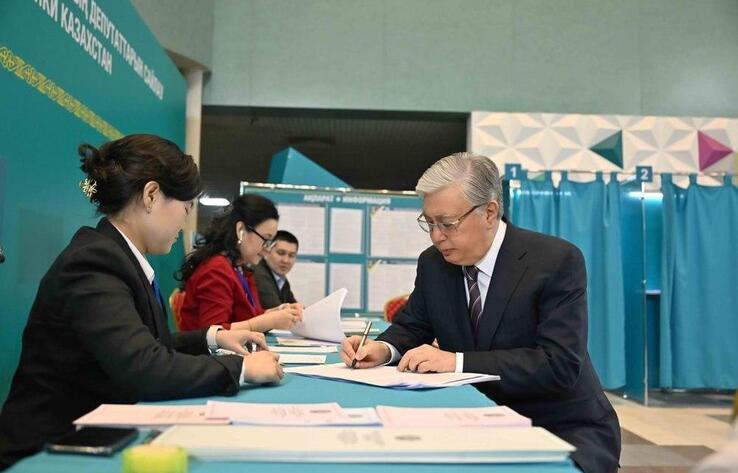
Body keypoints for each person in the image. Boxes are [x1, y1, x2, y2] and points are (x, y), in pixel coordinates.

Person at [0, 135, 282, 471]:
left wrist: (212, 338)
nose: (184, 222)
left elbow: (145, 344)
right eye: (185, 207)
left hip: (95, 436)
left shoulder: (118, 255)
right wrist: (243, 368)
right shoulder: (94, 261)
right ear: (151, 196)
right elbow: (144, 367)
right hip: (50, 451)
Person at [340, 152, 621, 473]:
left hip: (559, 426)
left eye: (447, 224)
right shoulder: (434, 264)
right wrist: (381, 349)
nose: (436, 236)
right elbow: (412, 325)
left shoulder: (555, 261)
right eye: (428, 223)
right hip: (472, 419)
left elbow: (558, 365)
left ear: (489, 212)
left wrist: (456, 361)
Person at [178, 194, 303, 332]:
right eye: (265, 239)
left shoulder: (239, 268)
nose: (267, 250)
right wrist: (269, 321)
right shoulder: (216, 269)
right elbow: (212, 332)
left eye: (271, 242)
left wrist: (278, 311)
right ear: (241, 230)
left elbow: (248, 317)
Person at [253, 230, 298, 309]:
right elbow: (279, 312)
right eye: (281, 253)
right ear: (267, 251)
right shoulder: (259, 274)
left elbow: (294, 306)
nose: (286, 260)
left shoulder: (280, 278)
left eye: (291, 255)